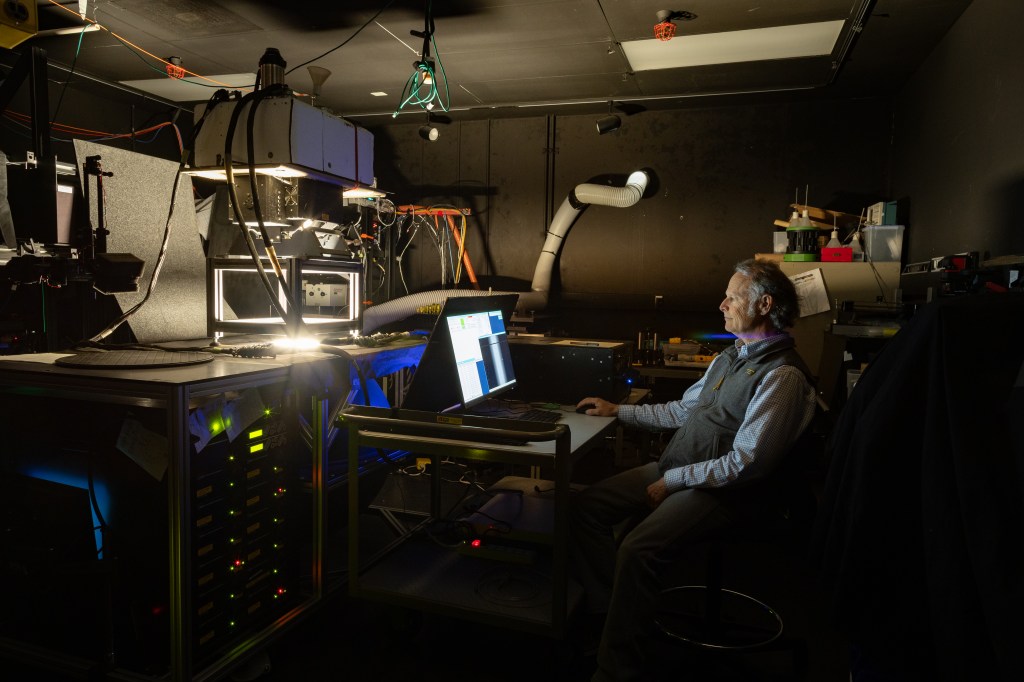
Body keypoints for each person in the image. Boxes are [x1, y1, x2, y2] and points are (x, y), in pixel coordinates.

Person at [570, 257, 818, 682]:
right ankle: (615, 616)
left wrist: (673, 481)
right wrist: (619, 411)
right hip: (680, 468)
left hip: (727, 493)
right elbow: (683, 411)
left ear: (764, 305)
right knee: (586, 508)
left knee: (638, 548)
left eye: (732, 297)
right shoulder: (730, 357)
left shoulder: (784, 377)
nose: (722, 305)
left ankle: (615, 669)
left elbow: (746, 463)